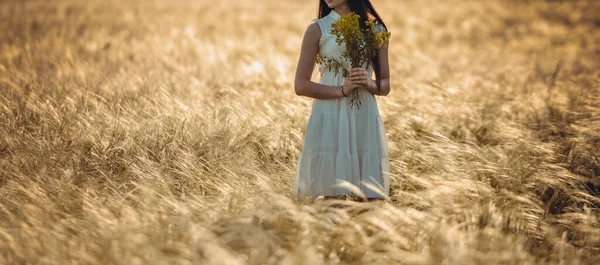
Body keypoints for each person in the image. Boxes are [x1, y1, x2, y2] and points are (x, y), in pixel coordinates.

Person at [292, 0, 391, 201]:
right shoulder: (317, 29)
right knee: (333, 199)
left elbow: (385, 85)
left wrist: (368, 83)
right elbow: (300, 86)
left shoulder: (376, 29)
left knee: (372, 199)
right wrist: (342, 90)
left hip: (363, 115)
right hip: (330, 117)